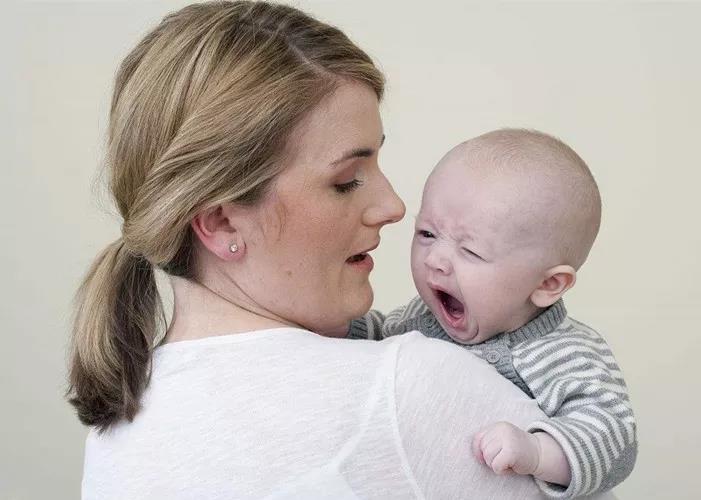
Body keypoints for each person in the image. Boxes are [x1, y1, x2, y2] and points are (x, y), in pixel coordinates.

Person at [67, 2, 622, 499]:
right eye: (346, 180)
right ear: (222, 221)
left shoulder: (117, 430)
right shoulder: (409, 387)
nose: (395, 207)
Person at [347, 129, 637, 498]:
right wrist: (333, 321)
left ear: (547, 284)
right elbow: (378, 335)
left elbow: (614, 440)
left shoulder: (568, 354)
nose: (435, 260)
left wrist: (538, 451)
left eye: (471, 251)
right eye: (427, 234)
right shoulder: (422, 318)